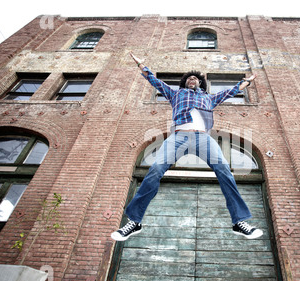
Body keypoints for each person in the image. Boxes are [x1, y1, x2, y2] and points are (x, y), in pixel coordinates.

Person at [111, 52, 262, 241]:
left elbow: (230, 92)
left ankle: (239, 221)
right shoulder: (176, 94)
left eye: (196, 78)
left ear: (200, 83)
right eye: (189, 78)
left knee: (224, 170)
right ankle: (134, 221)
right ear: (185, 82)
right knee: (156, 169)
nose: (193, 79)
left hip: (203, 138)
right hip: (179, 137)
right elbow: (155, 81)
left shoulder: (209, 98)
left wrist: (246, 82)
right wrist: (142, 66)